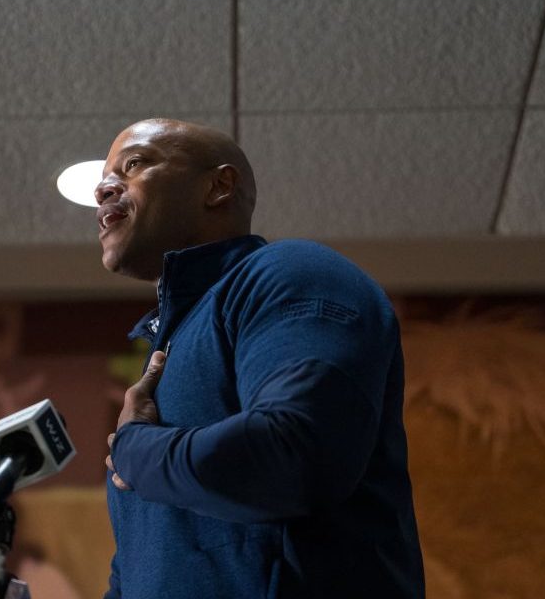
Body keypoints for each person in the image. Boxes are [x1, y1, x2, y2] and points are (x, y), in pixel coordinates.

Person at [97, 119, 424, 597]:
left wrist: (135, 449)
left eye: (134, 165)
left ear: (219, 186)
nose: (105, 188)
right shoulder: (165, 355)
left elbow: (294, 454)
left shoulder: (290, 274)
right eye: (104, 179)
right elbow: (135, 572)